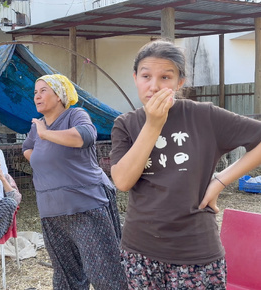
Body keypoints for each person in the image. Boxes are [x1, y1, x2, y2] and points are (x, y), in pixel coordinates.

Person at [109, 39, 261, 288]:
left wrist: (219, 181)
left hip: (197, 251)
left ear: (180, 82)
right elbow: (123, 181)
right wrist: (153, 124)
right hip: (140, 251)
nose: (154, 86)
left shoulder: (204, 116)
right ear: (135, 77)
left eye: (166, 78)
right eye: (146, 76)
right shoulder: (125, 124)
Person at [22, 74, 127, 289]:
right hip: (51, 212)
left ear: (59, 95)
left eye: (43, 90)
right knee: (66, 277)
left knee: (104, 272)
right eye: (35, 92)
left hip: (85, 206)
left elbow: (85, 136)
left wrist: (46, 135)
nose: (37, 96)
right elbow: (26, 149)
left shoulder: (75, 115)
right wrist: (47, 161)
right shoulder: (37, 127)